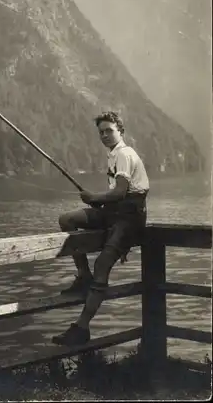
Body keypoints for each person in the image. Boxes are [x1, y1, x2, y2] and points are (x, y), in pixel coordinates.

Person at [52, 111, 149, 346]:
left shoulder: (125, 154)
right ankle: (84, 276)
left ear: (120, 131)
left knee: (102, 264)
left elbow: (120, 192)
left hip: (129, 218)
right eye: (101, 132)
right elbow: (115, 195)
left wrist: (94, 197)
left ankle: (81, 328)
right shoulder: (113, 155)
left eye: (109, 130)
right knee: (67, 220)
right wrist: (99, 202)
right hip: (113, 211)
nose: (105, 135)